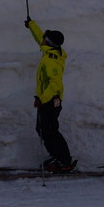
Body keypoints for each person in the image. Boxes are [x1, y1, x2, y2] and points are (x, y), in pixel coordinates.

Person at [24, 17, 75, 173]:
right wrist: (31, 25)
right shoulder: (49, 50)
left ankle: (64, 161)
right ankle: (56, 156)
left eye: (46, 39)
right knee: (42, 129)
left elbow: (55, 84)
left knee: (50, 131)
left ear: (50, 43)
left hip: (51, 100)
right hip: (47, 99)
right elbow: (39, 36)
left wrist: (41, 99)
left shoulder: (52, 61)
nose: (43, 39)